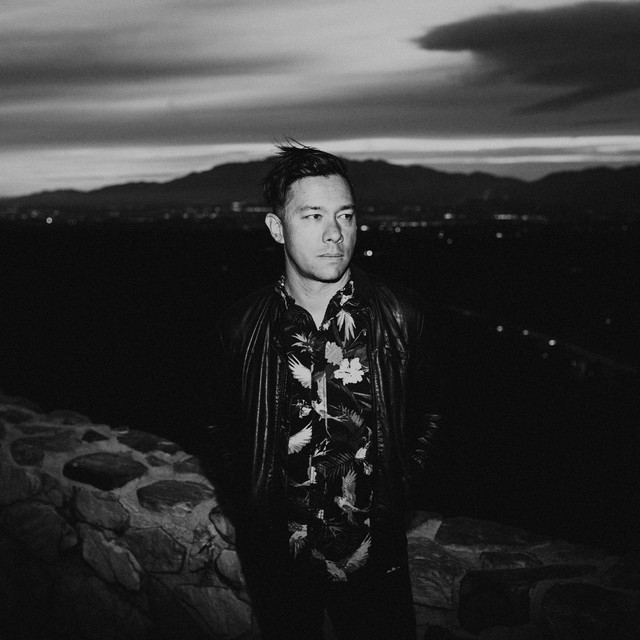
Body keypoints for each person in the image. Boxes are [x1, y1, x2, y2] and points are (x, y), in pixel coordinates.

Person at [205, 142, 439, 640]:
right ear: (277, 228)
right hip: (280, 560)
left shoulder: (401, 317)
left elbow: (431, 413)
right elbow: (219, 424)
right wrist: (252, 500)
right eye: (313, 215)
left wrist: (399, 488)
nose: (335, 233)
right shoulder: (241, 328)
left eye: (345, 215)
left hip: (374, 556)